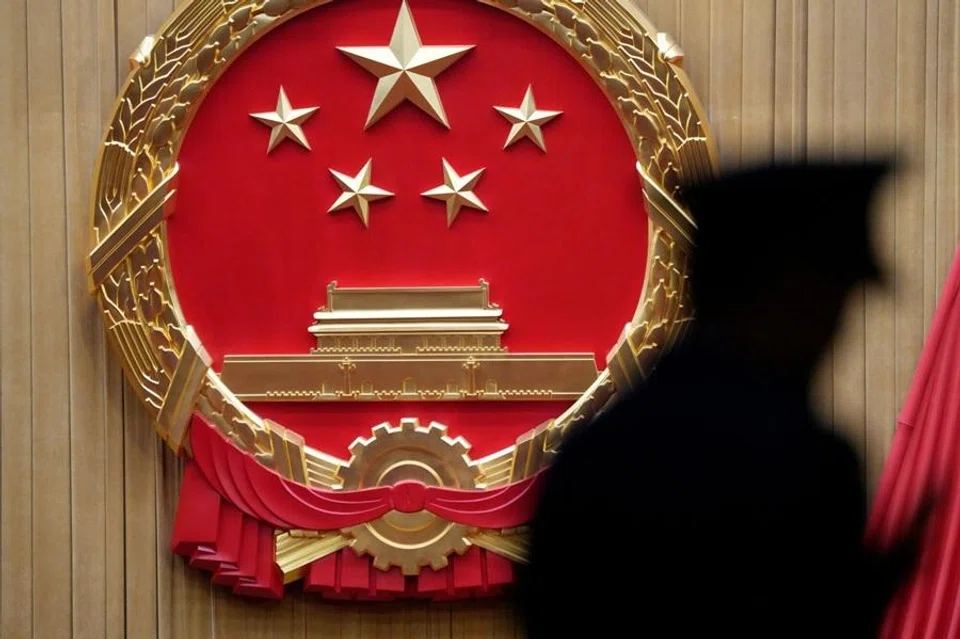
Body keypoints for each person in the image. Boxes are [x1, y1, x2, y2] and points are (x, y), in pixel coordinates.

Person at [515, 159, 931, 638]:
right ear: (783, 299)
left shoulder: (592, 451)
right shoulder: (805, 458)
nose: (836, 330)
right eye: (827, 303)